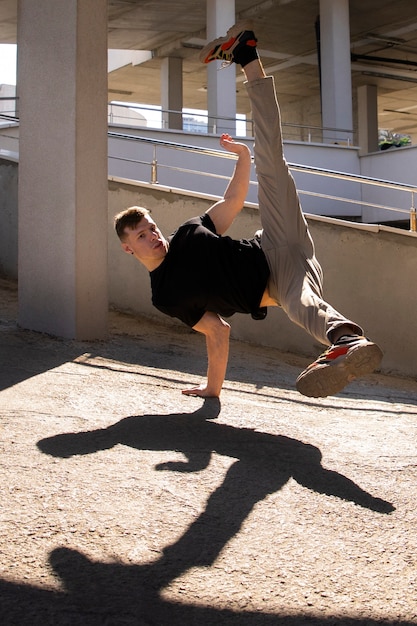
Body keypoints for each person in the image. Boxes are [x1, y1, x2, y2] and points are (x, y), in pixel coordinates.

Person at [114, 22, 383, 399]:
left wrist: (243, 159)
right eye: (142, 235)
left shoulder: (190, 232)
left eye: (152, 227)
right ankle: (348, 340)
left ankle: (246, 55)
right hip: (277, 282)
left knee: (271, 161)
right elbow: (218, 331)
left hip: (275, 239)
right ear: (128, 248)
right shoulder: (166, 295)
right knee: (298, 304)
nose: (153, 236)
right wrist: (212, 389)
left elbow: (234, 203)